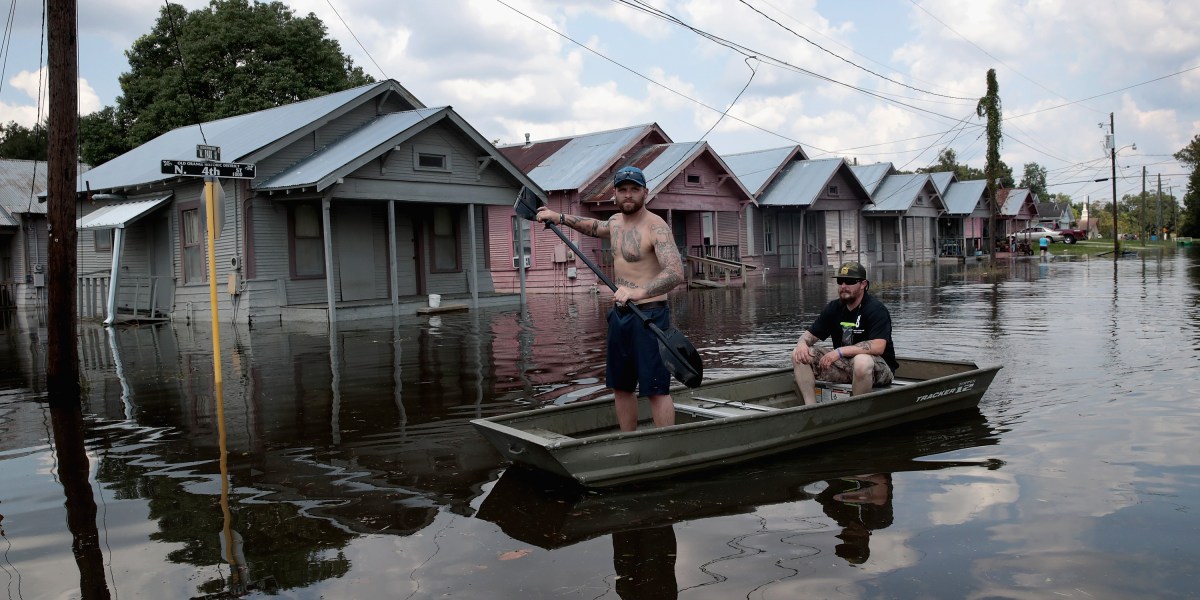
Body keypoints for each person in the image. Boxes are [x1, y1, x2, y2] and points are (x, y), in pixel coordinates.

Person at [536, 166, 685, 431]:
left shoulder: (656, 226)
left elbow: (675, 272)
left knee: (656, 389)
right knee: (621, 386)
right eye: (623, 189)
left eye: (634, 189)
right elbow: (594, 226)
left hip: (650, 316)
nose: (628, 195)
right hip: (621, 316)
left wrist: (639, 292)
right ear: (614, 194)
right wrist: (559, 217)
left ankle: (667, 443)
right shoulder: (615, 222)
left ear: (645, 193)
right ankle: (628, 440)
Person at [790, 261, 897, 405]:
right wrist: (802, 343)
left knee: (861, 361)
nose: (843, 286)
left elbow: (878, 346)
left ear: (863, 284)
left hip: (878, 369)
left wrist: (839, 352)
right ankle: (810, 407)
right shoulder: (834, 308)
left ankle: (858, 410)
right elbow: (809, 335)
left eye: (850, 282)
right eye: (840, 281)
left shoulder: (876, 309)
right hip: (845, 366)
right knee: (798, 354)